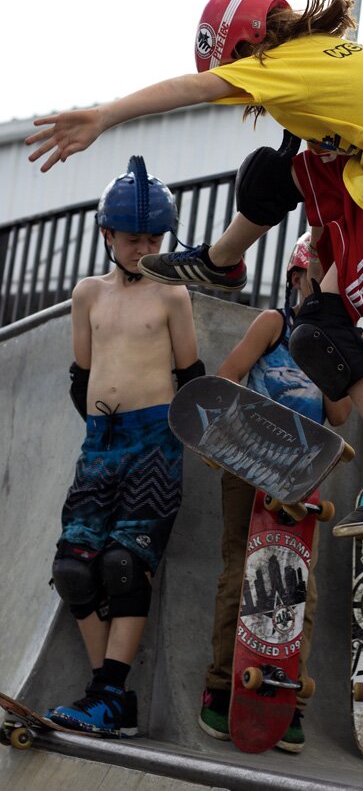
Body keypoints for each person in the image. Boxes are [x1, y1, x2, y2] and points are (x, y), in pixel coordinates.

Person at [26, 0, 363, 537]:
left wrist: (106, 116)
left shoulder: (281, 63)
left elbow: (190, 88)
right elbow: (308, 173)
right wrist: (323, 246)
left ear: (245, 46)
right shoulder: (320, 62)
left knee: (320, 331)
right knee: (276, 169)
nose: (246, 96)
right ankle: (222, 261)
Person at [46, 156, 204, 736]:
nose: (143, 247)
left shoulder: (173, 295)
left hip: (154, 440)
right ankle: (108, 696)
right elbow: (80, 378)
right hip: (100, 442)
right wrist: (98, 435)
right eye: (132, 237)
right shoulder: (87, 293)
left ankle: (109, 695)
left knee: (123, 565)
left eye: (152, 237)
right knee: (75, 569)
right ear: (106, 234)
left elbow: (192, 377)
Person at [199, 233, 352, 753]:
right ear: (296, 278)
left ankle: (287, 699)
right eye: (318, 286)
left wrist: (343, 361)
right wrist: (228, 436)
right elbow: (227, 378)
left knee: (295, 586)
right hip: (250, 466)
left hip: (301, 475)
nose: (326, 297)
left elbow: (339, 416)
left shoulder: (337, 340)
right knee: (240, 571)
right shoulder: (274, 324)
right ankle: (220, 687)